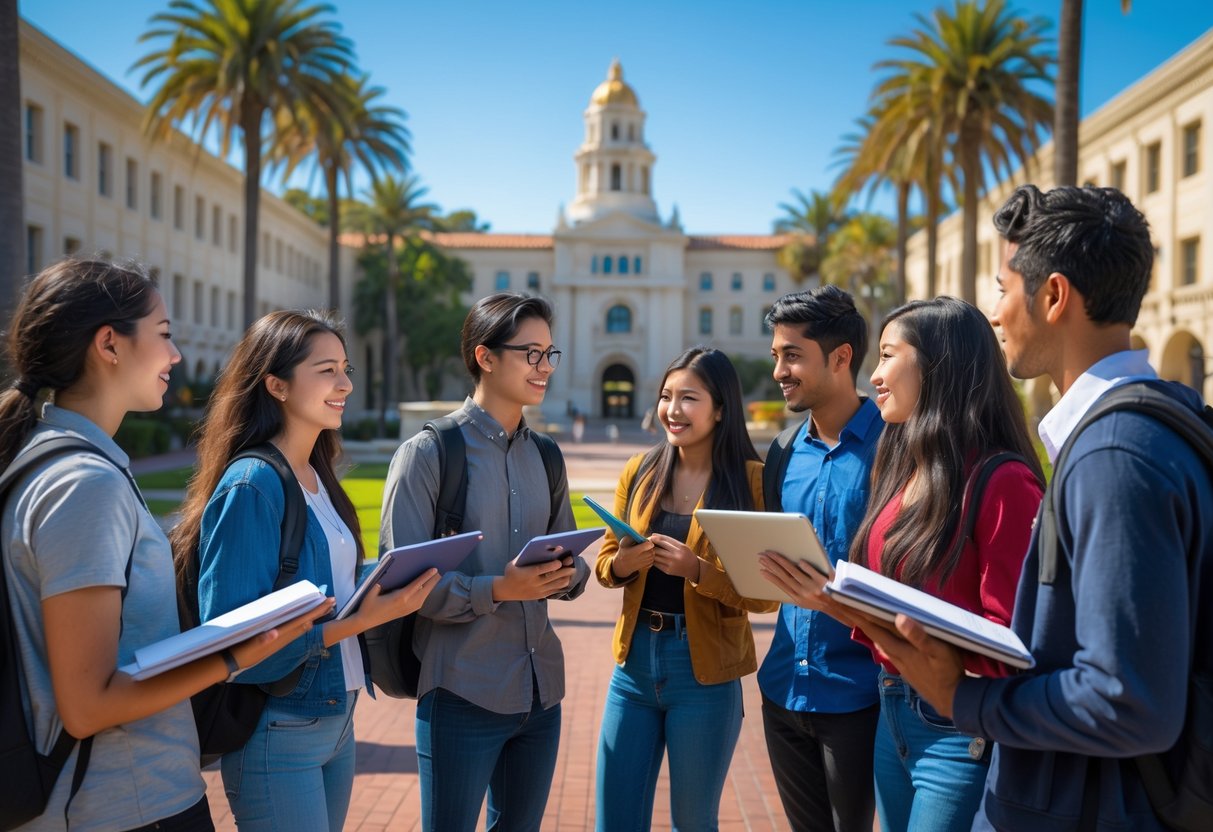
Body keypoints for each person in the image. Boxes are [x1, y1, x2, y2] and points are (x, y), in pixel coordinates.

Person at [861, 185, 1213, 831]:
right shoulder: (1151, 427)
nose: (993, 314)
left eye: (1001, 287)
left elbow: (1126, 702)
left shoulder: (1115, 455)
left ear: (1051, 296)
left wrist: (964, 697)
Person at [0, 260, 327, 831]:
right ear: (110, 344)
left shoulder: (55, 462)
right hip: (124, 804)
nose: (175, 356)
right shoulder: (84, 483)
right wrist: (231, 656)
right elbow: (88, 706)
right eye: (165, 334)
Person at [172, 310, 438, 831]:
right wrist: (361, 619)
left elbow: (325, 586)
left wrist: (382, 582)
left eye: (345, 368)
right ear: (276, 384)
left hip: (337, 717)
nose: (345, 385)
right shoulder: (252, 484)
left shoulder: (316, 474)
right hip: (281, 726)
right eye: (326, 371)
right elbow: (233, 641)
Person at [381, 292, 590, 832]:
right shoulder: (429, 454)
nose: (544, 368)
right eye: (530, 353)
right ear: (486, 356)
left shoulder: (546, 454)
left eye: (550, 354)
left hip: (540, 691)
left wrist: (568, 574)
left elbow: (571, 556)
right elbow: (400, 586)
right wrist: (497, 588)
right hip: (461, 693)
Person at [594, 347, 779, 831]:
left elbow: (764, 597)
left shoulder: (750, 483)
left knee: (693, 823)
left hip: (705, 675)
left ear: (720, 408)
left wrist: (698, 571)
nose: (672, 410)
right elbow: (605, 564)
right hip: (633, 667)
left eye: (688, 398)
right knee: (614, 820)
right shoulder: (640, 471)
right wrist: (624, 564)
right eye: (666, 396)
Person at [750, 286, 885, 832]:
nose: (780, 370)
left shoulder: (896, 445)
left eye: (792, 356)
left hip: (861, 696)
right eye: (776, 356)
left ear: (842, 357)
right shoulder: (782, 451)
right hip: (782, 689)